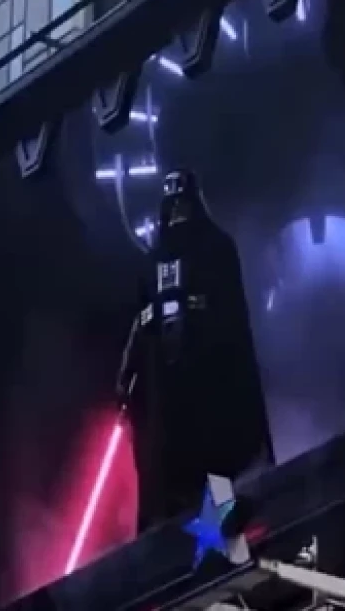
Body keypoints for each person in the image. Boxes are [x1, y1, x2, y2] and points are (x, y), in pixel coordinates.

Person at [116, 169, 273, 532]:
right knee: (165, 477)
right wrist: (127, 377)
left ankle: (225, 537)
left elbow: (233, 317)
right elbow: (138, 324)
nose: (177, 214)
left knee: (215, 469)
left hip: (208, 380)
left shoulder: (216, 249)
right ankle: (171, 541)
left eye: (183, 205)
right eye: (172, 206)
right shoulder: (151, 262)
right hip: (165, 393)